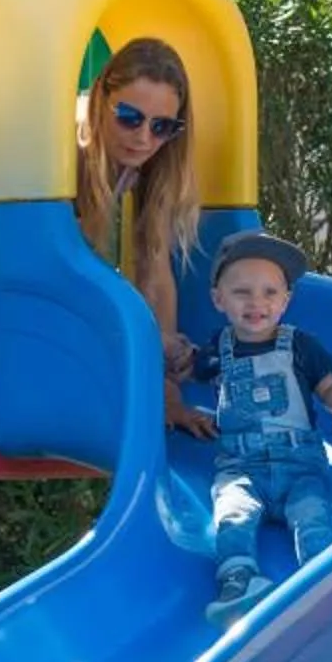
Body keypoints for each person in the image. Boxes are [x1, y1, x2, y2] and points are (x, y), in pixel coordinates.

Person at [187, 230, 332, 626]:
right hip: (240, 466)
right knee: (231, 516)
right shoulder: (216, 349)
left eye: (270, 292)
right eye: (242, 292)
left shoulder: (300, 345)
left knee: (312, 515)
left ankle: (322, 581)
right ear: (218, 299)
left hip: (298, 464)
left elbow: (330, 387)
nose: (257, 302)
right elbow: (188, 375)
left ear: (285, 301)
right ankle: (239, 581)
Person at [72, 37, 209, 435]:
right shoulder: (68, 156)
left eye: (162, 126)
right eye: (129, 117)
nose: (144, 138)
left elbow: (154, 266)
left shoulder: (153, 165)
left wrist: (166, 390)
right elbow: (63, 268)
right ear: (101, 98)